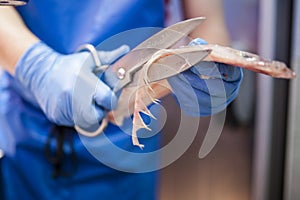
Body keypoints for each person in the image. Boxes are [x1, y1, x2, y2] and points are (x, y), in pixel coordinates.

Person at [0, 0, 242, 199]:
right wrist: (37, 66)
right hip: (23, 135)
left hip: (128, 144)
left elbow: (208, 24)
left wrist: (212, 75)